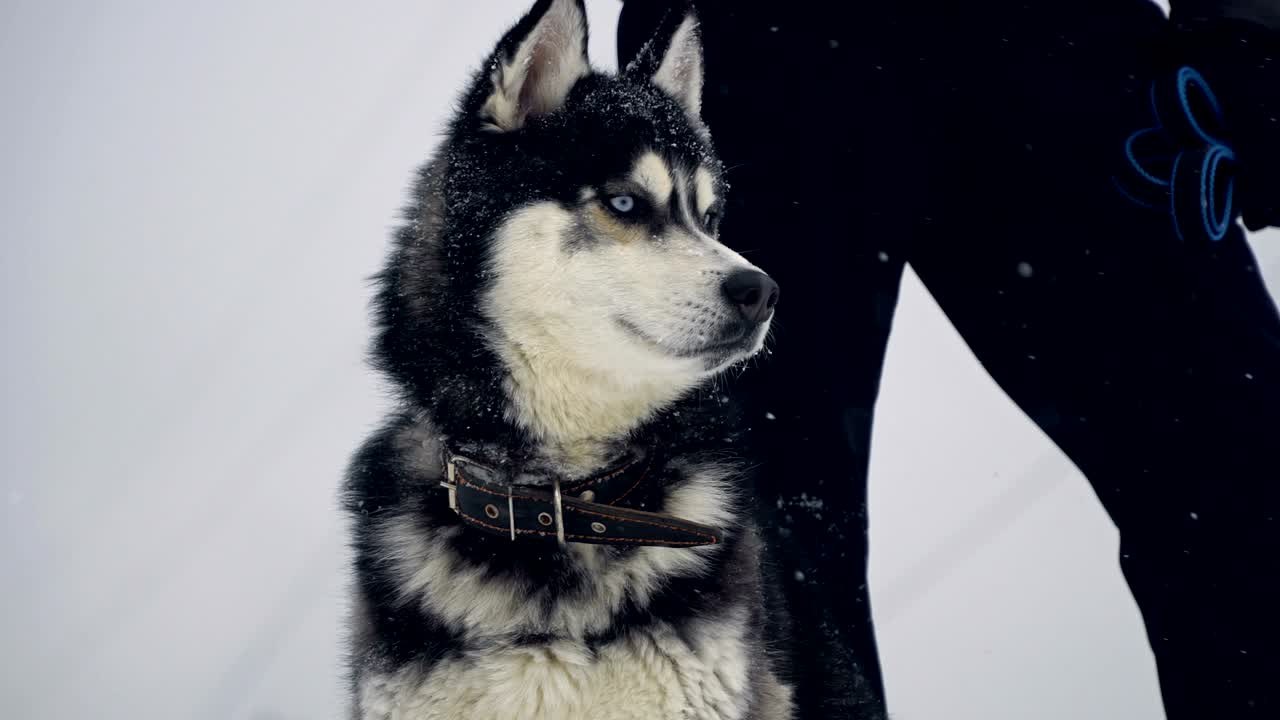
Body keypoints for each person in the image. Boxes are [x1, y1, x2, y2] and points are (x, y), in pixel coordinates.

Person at [617, 1, 1280, 718]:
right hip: (758, 50)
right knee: (756, 542)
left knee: (1244, 463)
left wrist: (1250, 28)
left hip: (1047, 43)